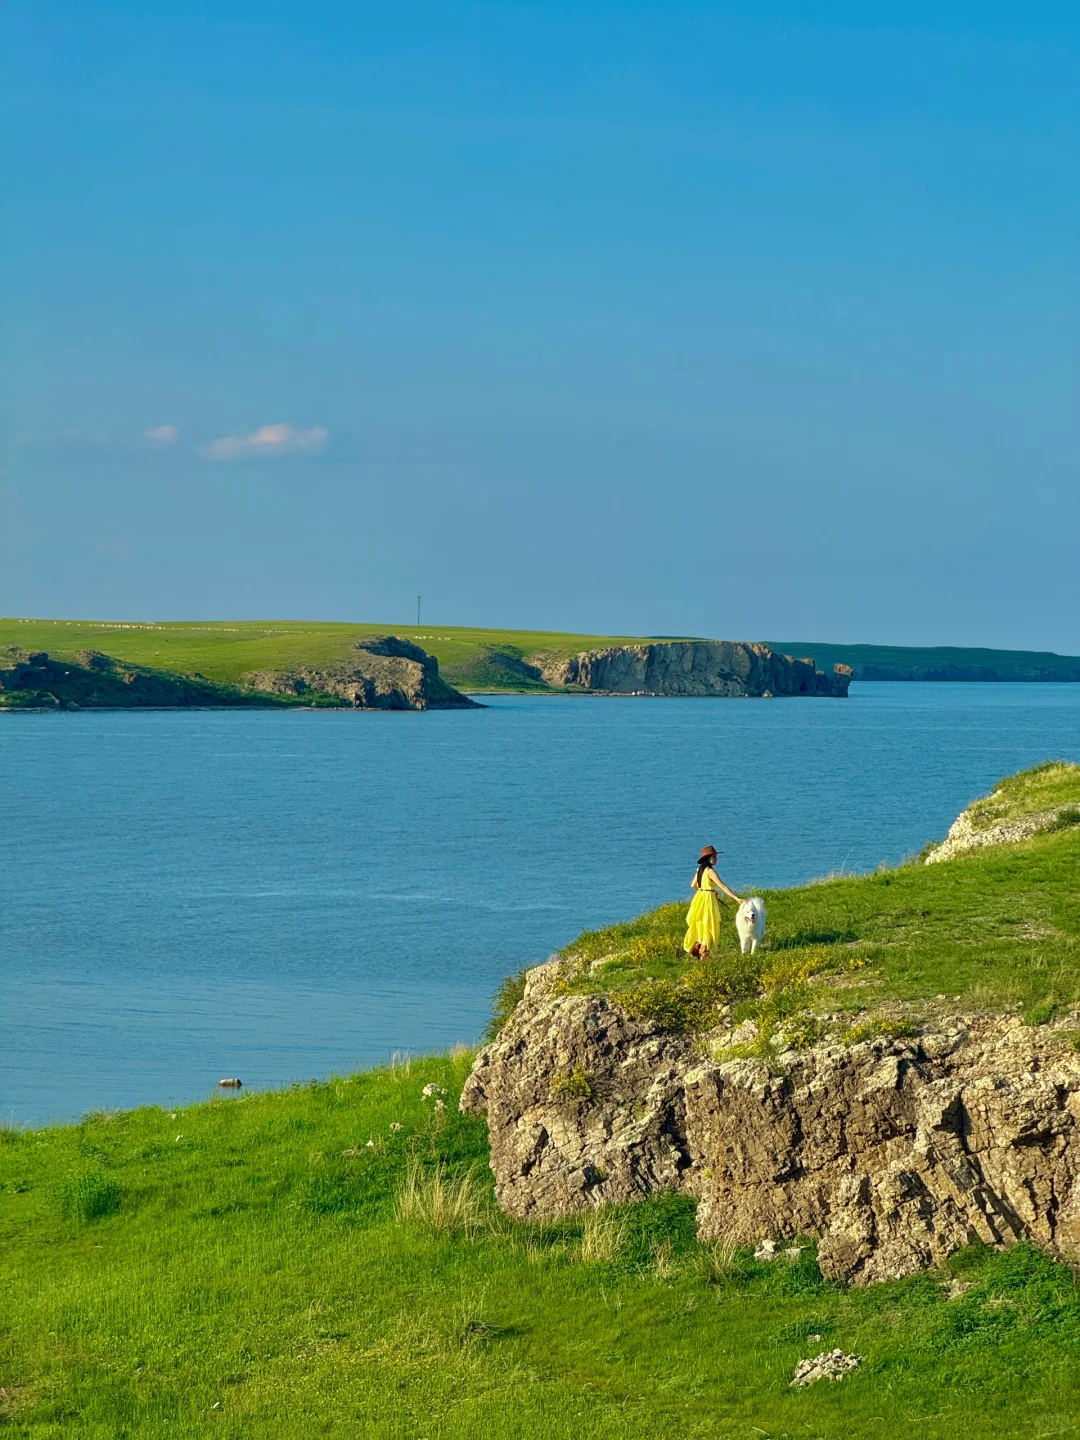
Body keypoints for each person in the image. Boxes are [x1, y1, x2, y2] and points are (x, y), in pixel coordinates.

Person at [683, 845, 741, 959]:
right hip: (708, 900)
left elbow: (693, 885)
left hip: (699, 898)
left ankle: (698, 948)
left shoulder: (699, 870)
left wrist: (704, 890)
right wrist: (736, 898)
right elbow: (723, 886)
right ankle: (704, 952)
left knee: (700, 924)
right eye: (714, 857)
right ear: (709, 858)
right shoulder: (710, 872)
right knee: (709, 925)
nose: (716, 859)